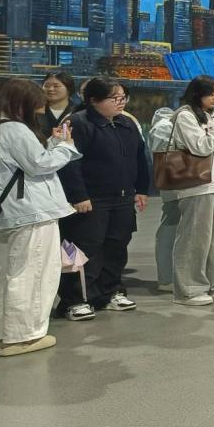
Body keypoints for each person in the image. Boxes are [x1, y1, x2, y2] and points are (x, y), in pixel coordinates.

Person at [0, 79, 81, 356]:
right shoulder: (16, 129)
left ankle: (0, 332)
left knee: (3, 274)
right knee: (34, 273)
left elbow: (24, 162)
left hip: (9, 211)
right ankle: (24, 336)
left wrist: (52, 142)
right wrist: (65, 146)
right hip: (32, 210)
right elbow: (40, 164)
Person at [56, 77, 149, 320]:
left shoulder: (127, 123)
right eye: (114, 98)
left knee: (117, 246)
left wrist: (141, 188)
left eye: (123, 98)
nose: (121, 102)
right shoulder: (76, 122)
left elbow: (140, 157)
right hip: (90, 199)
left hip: (122, 198)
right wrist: (78, 195)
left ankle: (110, 292)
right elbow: (68, 162)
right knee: (82, 249)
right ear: (93, 100)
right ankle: (74, 300)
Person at [168, 75, 214, 306]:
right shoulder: (185, 116)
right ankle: (188, 290)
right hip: (198, 185)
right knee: (195, 239)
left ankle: (210, 282)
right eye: (211, 94)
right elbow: (201, 147)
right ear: (197, 93)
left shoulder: (210, 117)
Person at [148, 104, 181, 293]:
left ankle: (170, 277)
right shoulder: (164, 126)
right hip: (175, 186)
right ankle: (167, 278)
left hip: (184, 185)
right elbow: (164, 155)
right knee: (170, 229)